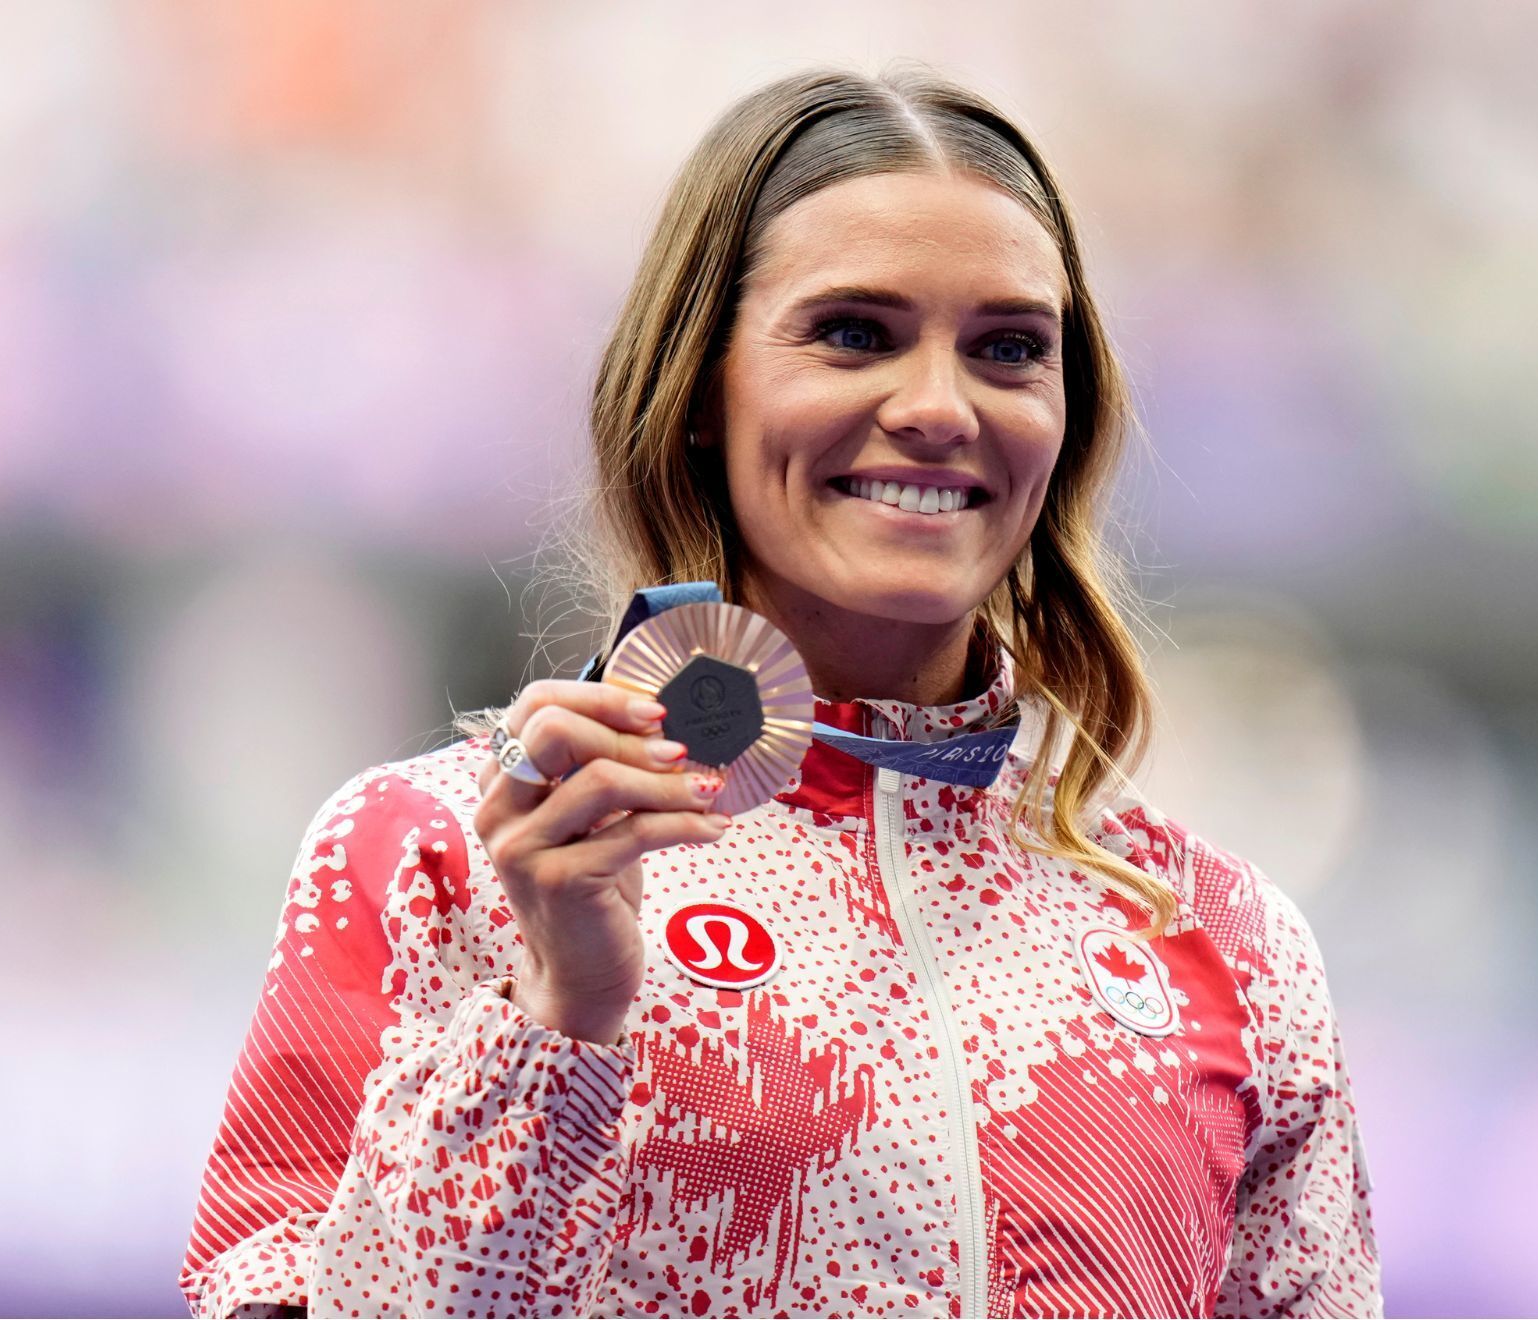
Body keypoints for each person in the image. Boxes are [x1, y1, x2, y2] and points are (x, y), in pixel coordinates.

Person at [180, 65, 1381, 1319]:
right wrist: (560, 1018)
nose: (936, 407)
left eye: (1010, 349)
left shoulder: (1229, 944)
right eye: (854, 334)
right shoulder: (433, 859)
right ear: (701, 386)